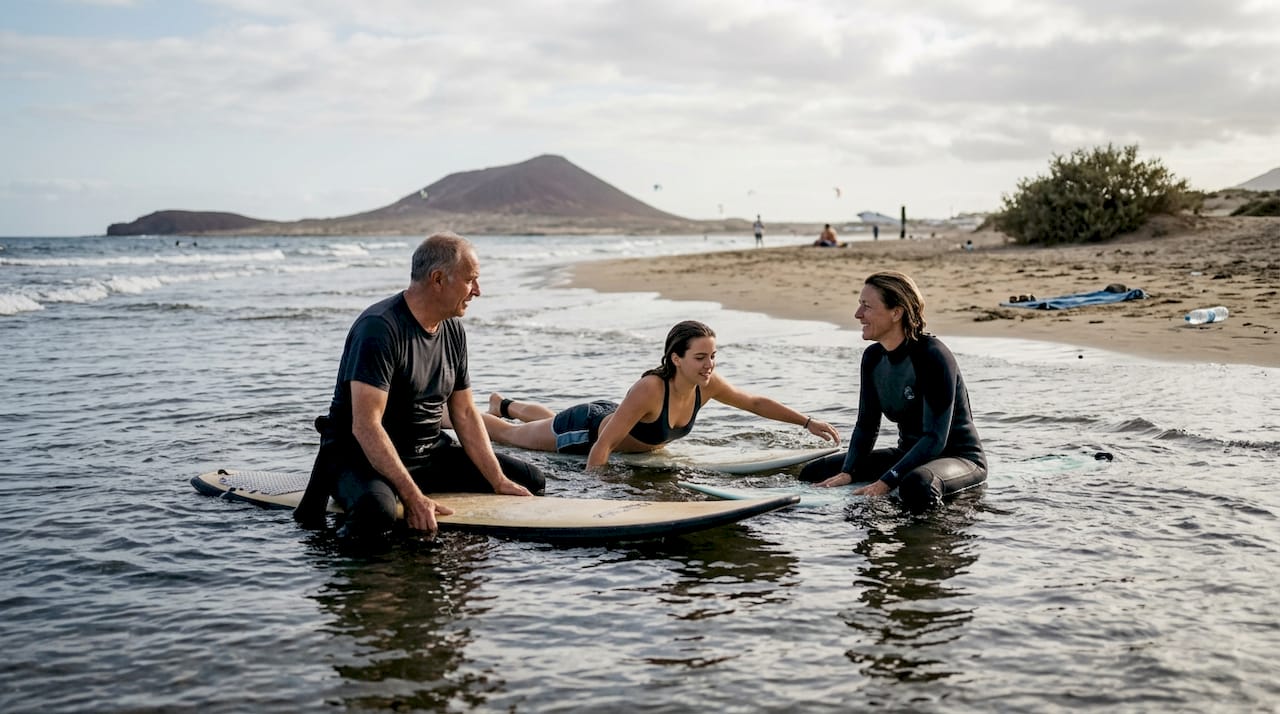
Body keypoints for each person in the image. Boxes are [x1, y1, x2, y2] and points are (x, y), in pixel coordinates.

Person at [294, 232, 546, 538]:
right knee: (377, 514)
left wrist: (496, 480)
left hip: (426, 456)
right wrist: (412, 497)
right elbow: (365, 426)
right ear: (438, 279)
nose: (477, 291)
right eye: (471, 280)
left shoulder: (452, 329)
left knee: (529, 479)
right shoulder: (379, 328)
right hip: (360, 458)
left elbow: (465, 413)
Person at [468, 320, 841, 469]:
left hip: (611, 414)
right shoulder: (650, 388)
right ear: (675, 358)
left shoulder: (706, 384)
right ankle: (452, 413)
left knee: (546, 420)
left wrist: (807, 421)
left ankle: (504, 404)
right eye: (700, 357)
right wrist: (598, 495)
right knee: (510, 436)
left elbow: (755, 403)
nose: (709, 364)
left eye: (712, 356)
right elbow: (602, 447)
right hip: (585, 430)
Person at [800, 270, 986, 511]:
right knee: (815, 472)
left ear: (896, 312)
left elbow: (935, 438)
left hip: (957, 458)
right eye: (859, 305)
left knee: (916, 484)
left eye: (866, 306)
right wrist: (848, 472)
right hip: (907, 454)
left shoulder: (933, 356)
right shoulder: (873, 358)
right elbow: (867, 425)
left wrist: (886, 482)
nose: (858, 314)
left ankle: (929, 536)